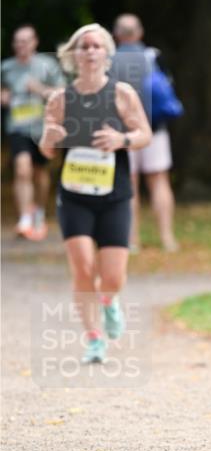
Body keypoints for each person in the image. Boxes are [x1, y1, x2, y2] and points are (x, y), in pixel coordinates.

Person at [39, 23, 152, 364]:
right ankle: (94, 339)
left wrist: (122, 139)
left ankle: (108, 300)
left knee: (113, 276)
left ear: (106, 53)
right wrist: (49, 138)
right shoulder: (60, 98)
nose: (89, 51)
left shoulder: (122, 94)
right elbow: (47, 148)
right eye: (83, 46)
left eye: (96, 46)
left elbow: (144, 134)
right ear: (73, 54)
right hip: (74, 195)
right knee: (83, 268)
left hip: (115, 194)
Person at [110, 13, 180, 252]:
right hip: (154, 128)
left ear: (116, 35)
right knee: (159, 181)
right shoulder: (153, 55)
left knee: (129, 184)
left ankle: (132, 241)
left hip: (123, 133)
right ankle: (167, 239)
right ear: (139, 32)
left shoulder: (108, 60)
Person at [1, 25, 64, 239]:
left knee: (39, 172)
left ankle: (39, 210)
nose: (21, 45)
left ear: (35, 42)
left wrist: (40, 90)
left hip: (41, 127)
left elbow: (62, 93)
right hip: (17, 126)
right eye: (18, 41)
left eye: (25, 41)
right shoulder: (6, 67)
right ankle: (24, 218)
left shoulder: (47, 65)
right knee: (22, 169)